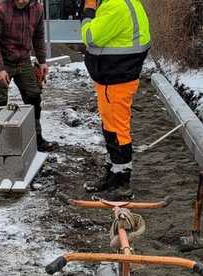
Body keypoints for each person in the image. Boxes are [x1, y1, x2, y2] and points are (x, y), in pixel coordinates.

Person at [80, 0, 150, 200]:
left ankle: (122, 181)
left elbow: (89, 36)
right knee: (112, 126)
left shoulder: (115, 7)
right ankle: (114, 172)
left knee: (117, 130)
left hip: (116, 78)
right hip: (118, 76)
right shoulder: (130, 4)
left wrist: (88, 12)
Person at [0, 0, 57, 152]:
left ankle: (36, 138)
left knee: (34, 97)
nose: (22, 0)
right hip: (2, 60)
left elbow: (38, 36)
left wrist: (42, 61)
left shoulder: (37, 9)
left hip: (23, 60)